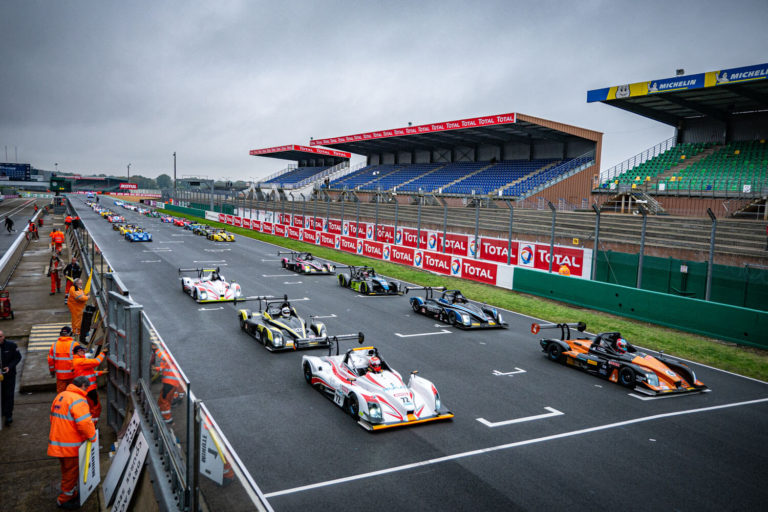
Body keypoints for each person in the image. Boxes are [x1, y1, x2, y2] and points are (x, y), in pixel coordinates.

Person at [48, 375, 96, 509]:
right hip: (70, 445)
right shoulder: (79, 400)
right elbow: (84, 423)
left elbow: (52, 417)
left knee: (66, 470)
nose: (87, 391)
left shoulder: (61, 395)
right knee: (71, 473)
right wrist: (92, 437)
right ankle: (64, 499)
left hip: (57, 442)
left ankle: (70, 492)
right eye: (86, 388)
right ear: (83, 386)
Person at [72, 345, 107, 424]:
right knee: (96, 407)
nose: (84, 352)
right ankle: (92, 425)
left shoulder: (77, 361)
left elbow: (90, 373)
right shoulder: (81, 361)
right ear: (79, 352)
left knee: (90, 407)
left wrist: (101, 372)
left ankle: (90, 424)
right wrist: (103, 353)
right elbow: (96, 362)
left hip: (86, 389)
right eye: (83, 351)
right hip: (89, 389)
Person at [153, 346, 182, 424]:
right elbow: (165, 366)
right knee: (163, 399)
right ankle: (162, 415)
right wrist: (156, 369)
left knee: (164, 400)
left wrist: (156, 349)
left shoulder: (169, 352)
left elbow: (165, 358)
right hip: (170, 382)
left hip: (170, 382)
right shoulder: (171, 352)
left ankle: (168, 420)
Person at [47, 327, 80, 393]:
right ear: (70, 334)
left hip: (60, 376)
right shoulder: (75, 344)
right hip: (72, 375)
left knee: (61, 395)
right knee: (74, 393)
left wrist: (52, 372)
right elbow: (80, 360)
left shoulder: (54, 345)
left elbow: (50, 361)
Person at [1, 330, 22, 426]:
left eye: (0, 336)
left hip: (9, 375)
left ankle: (8, 415)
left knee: (9, 395)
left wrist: (9, 366)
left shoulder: (11, 345)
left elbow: (18, 357)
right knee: (1, 395)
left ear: (3, 336)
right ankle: (2, 411)